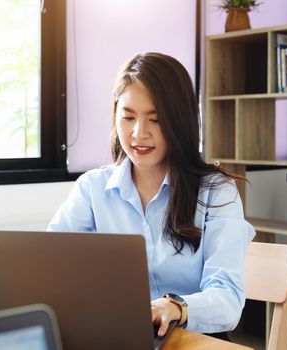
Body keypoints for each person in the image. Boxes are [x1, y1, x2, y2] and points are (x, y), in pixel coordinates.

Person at [48, 52, 255, 338]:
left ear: (178, 122)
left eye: (155, 120)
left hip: (193, 340)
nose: (138, 133)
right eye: (128, 117)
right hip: (118, 336)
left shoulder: (216, 192)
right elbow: (50, 265)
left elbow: (229, 299)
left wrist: (174, 308)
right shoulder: (92, 188)